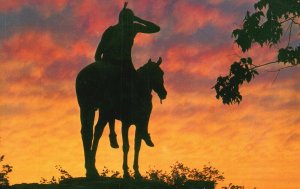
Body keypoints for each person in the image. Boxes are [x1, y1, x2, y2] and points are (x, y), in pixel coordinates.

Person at [94, 3, 160, 148]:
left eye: (131, 20)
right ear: (124, 19)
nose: (130, 23)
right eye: (129, 20)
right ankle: (112, 132)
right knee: (110, 97)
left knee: (144, 94)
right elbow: (97, 54)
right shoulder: (113, 31)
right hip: (112, 66)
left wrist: (137, 20)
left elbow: (156, 28)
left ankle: (143, 130)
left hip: (125, 66)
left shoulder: (130, 28)